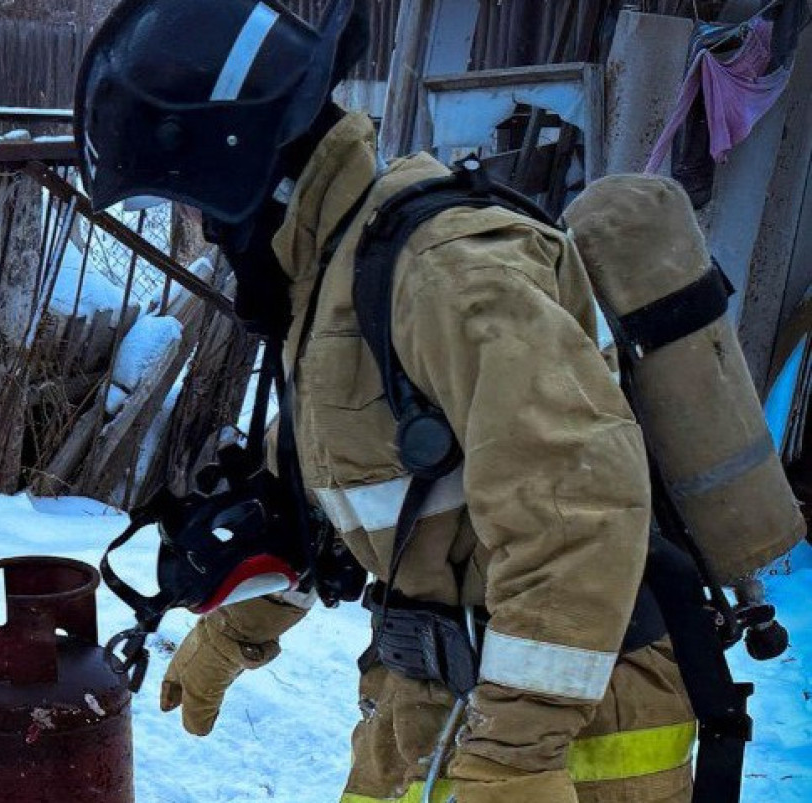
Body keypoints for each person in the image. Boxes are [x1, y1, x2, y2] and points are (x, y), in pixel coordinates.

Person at [74, 1, 696, 801]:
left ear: (235, 176)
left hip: (578, 742)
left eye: (193, 205)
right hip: (428, 713)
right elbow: (326, 502)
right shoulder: (338, 280)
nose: (200, 226)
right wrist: (233, 631)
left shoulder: (445, 273)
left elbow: (577, 508)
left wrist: (516, 757)